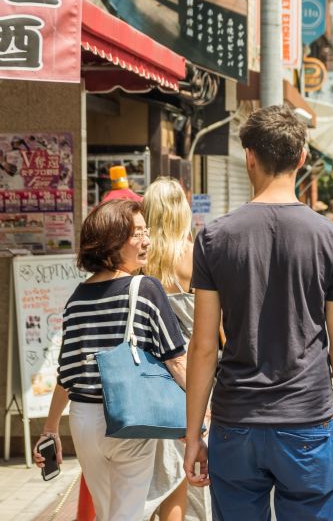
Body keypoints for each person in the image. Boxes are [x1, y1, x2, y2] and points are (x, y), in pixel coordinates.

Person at [182, 105, 333, 520]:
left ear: (249, 156)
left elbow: (203, 346)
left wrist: (193, 435)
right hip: (307, 423)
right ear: (302, 158)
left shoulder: (214, 238)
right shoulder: (332, 240)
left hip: (236, 422)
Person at [33, 199, 187, 520]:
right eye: (137, 234)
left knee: (107, 513)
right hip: (130, 414)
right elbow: (176, 360)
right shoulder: (146, 289)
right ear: (111, 242)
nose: (147, 241)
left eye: (146, 232)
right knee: (127, 512)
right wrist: (202, 413)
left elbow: (67, 373)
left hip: (84, 420)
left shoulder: (77, 298)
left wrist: (50, 429)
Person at [141, 178, 209, 521]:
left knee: (155, 478)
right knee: (191, 474)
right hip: (196, 376)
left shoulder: (140, 262)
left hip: (150, 382)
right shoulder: (194, 256)